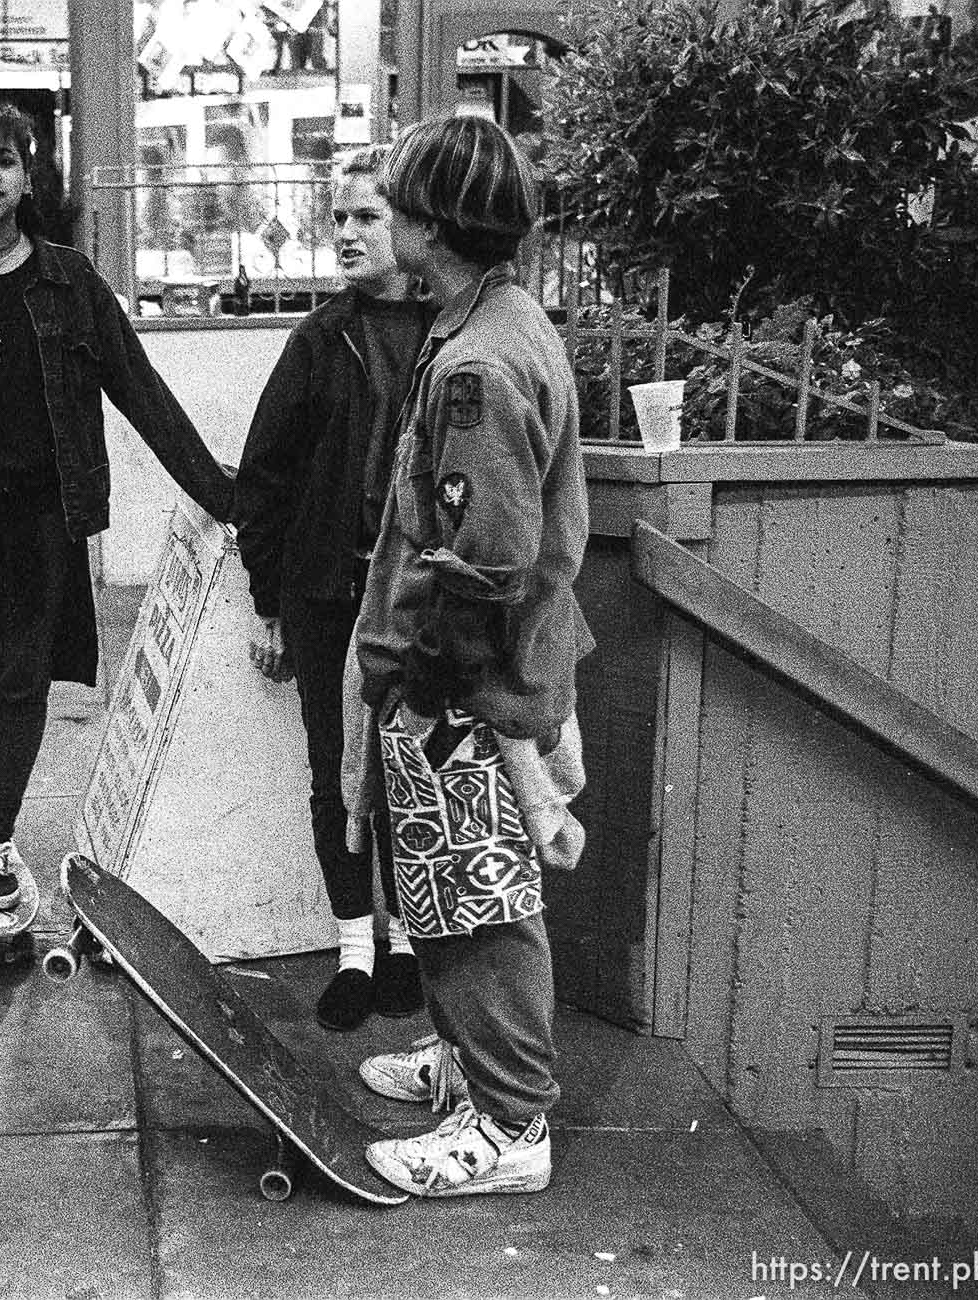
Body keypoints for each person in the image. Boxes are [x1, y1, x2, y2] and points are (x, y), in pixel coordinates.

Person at [0, 102, 234, 911]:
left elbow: (142, 392)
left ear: (29, 177)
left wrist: (222, 492)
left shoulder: (69, 282)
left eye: (3, 160)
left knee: (23, 684)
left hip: (39, 524)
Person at [346, 115, 594, 1198]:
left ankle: (507, 1124)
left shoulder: (479, 364)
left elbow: (484, 562)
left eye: (393, 203)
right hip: (472, 673)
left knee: (481, 906)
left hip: (463, 678)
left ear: (433, 224)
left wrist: (431, 689)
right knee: (448, 895)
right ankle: (471, 1064)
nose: (381, 217)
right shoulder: (489, 321)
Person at [235, 146, 431, 1033]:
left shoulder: (451, 331)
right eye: (339, 216)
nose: (345, 233)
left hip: (417, 600)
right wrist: (267, 600)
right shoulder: (319, 338)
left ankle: (408, 947)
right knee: (334, 774)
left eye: (367, 217)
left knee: (412, 774)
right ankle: (355, 944)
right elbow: (264, 477)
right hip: (325, 595)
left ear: (414, 225)